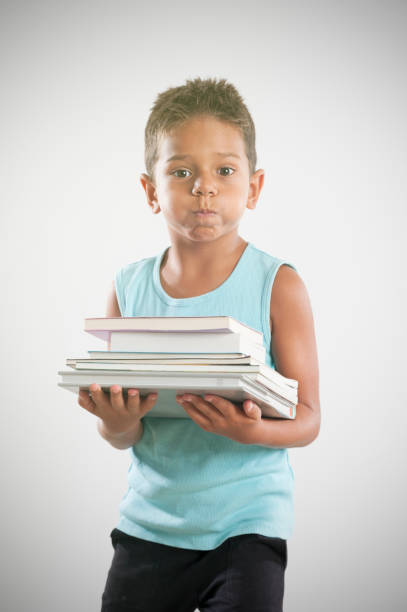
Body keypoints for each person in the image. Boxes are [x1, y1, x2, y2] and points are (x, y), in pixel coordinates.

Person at [78, 76, 321, 612]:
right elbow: (123, 429)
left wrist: (249, 428)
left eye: (225, 171)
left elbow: (308, 419)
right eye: (181, 171)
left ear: (253, 188)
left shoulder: (278, 285)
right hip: (148, 525)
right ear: (150, 191)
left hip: (247, 530)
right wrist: (116, 423)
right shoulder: (128, 287)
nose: (203, 187)